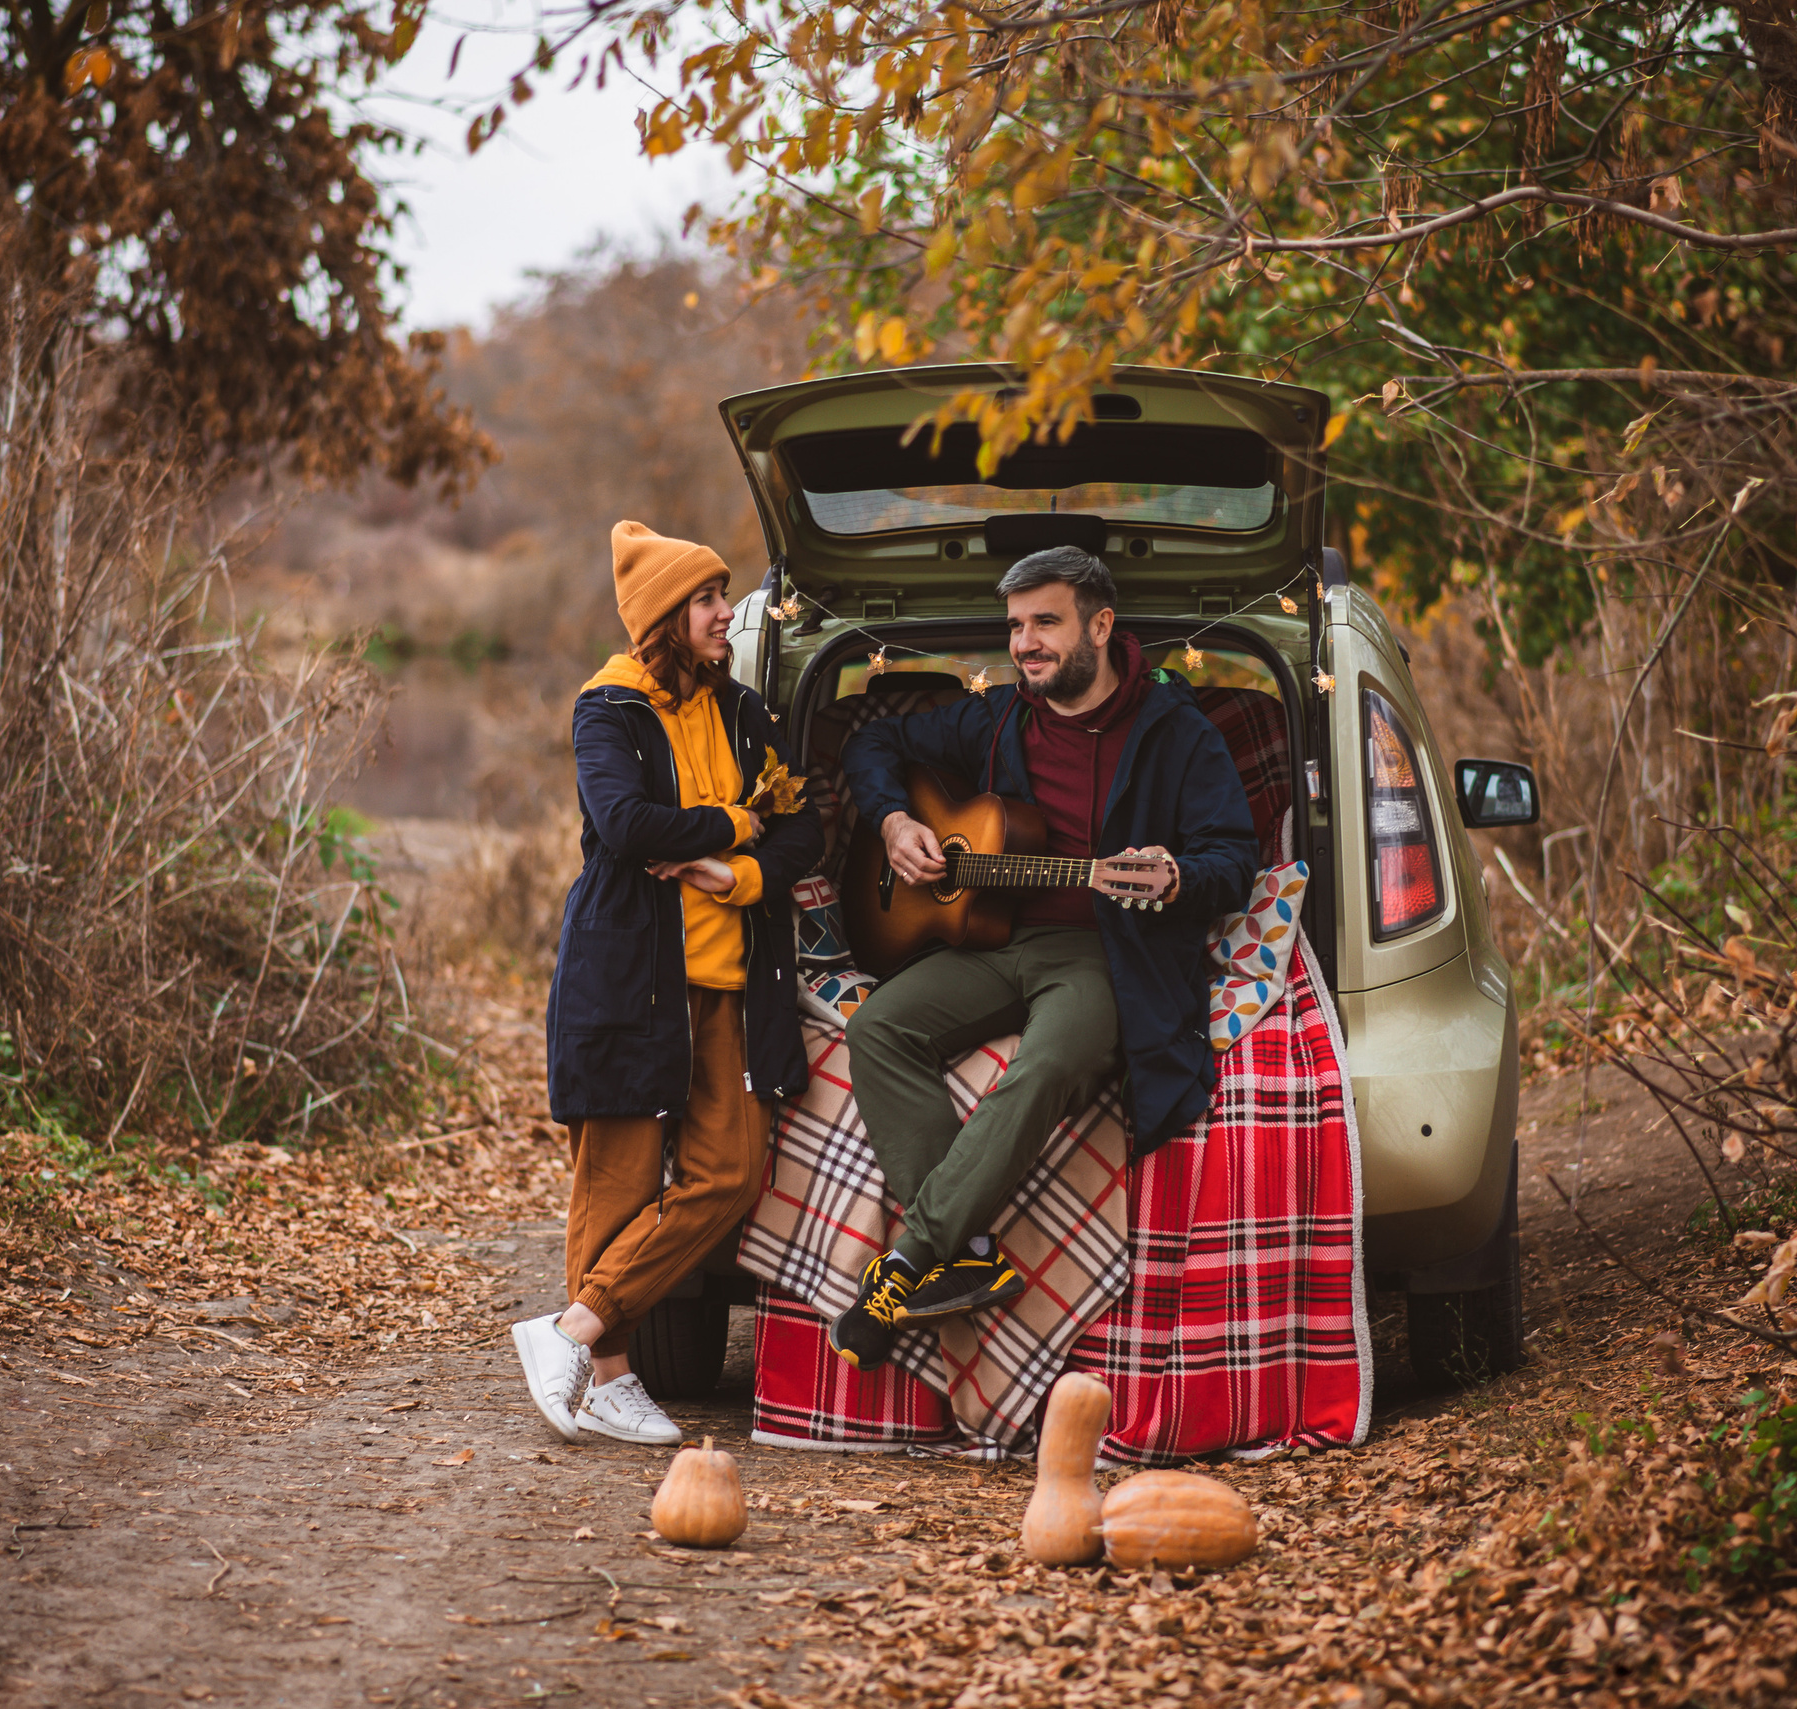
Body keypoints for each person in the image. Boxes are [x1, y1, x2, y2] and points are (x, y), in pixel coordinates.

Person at [830, 545, 1258, 1369]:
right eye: (1017, 625)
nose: (1025, 643)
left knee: (1048, 1060)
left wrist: (1177, 874)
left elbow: (1231, 858)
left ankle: (912, 1260)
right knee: (880, 1027)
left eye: (1046, 623)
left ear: (1101, 624)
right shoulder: (997, 718)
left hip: (1108, 952)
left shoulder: (1176, 734)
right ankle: (958, 1256)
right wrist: (891, 822)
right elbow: (873, 747)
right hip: (998, 936)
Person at [513, 521, 821, 1443]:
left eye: (722, 596)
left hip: (730, 980)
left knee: (730, 1174)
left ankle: (571, 1327)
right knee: (616, 1178)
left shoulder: (743, 711)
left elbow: (805, 831)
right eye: (707, 600)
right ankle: (607, 1380)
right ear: (663, 619)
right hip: (628, 977)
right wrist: (735, 821)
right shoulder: (608, 709)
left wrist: (742, 872)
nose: (727, 612)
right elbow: (624, 822)